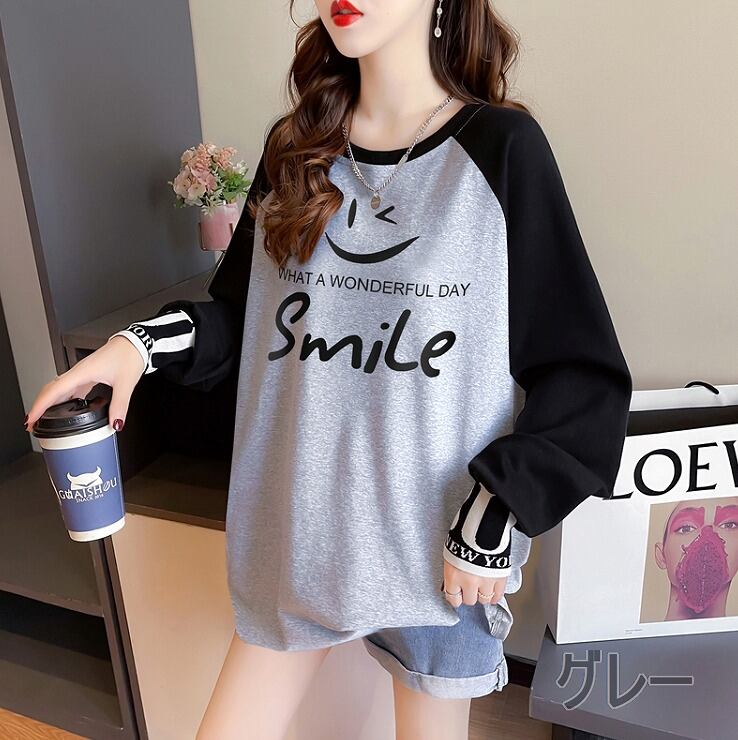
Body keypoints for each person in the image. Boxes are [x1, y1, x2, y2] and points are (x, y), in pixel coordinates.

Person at [24, 1, 633, 737]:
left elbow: (580, 370)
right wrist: (137, 346)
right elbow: (246, 320)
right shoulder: (297, 149)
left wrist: (495, 509)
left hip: (438, 556)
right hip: (301, 532)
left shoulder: (502, 152)